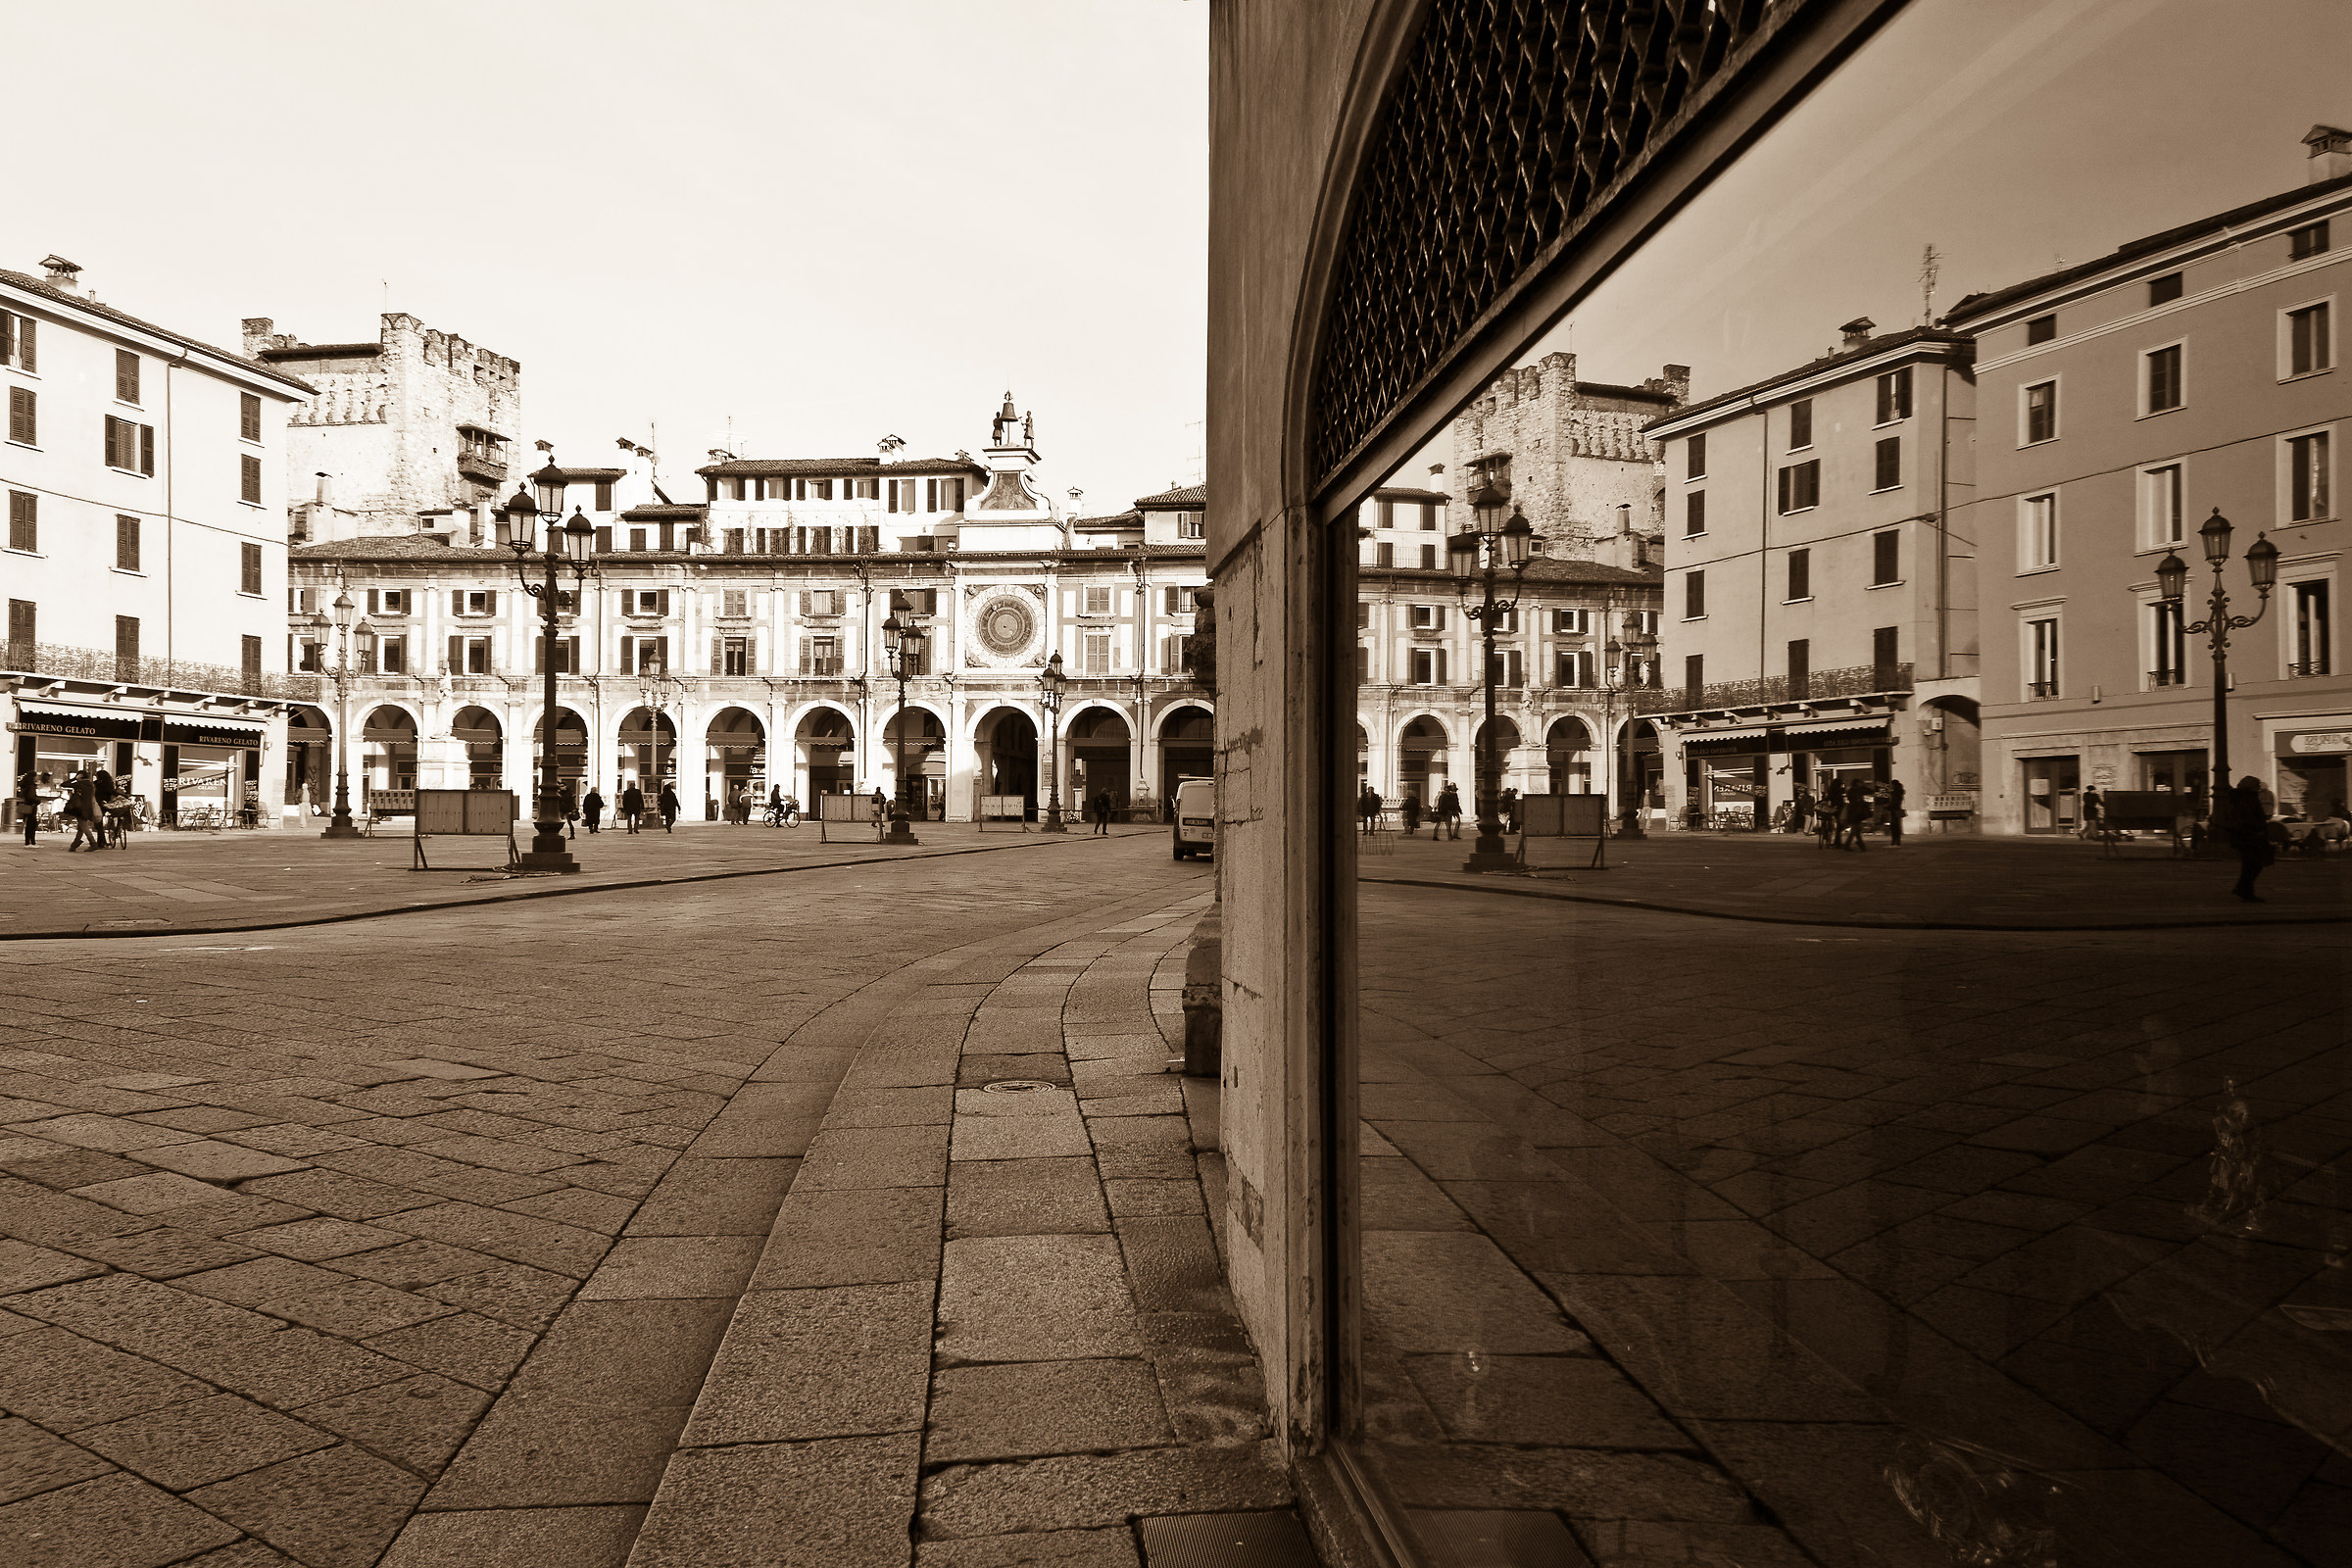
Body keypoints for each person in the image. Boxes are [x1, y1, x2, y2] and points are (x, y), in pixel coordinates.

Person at [2222, 775, 2273, 902]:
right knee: (2254, 864)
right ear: (2251, 787)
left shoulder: (2238, 797)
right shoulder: (2249, 798)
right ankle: (2243, 889)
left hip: (2243, 836)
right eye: (2257, 785)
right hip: (2250, 836)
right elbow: (2250, 818)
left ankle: (2245, 890)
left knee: (2249, 864)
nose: (2259, 787)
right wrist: (2259, 830)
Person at [66, 768, 101, 852]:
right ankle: (74, 845)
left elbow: (64, 784)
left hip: (80, 808)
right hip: (88, 808)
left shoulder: (80, 784)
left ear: (80, 776)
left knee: (84, 827)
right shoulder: (91, 785)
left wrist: (74, 779)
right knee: (81, 828)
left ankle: (93, 843)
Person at [17, 765, 43, 848]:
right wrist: (38, 800)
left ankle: (28, 841)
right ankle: (31, 842)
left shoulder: (24, 785)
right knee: (32, 825)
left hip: (26, 806)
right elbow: (31, 797)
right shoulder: (31, 786)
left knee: (28, 824)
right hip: (31, 806)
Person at [1818, 778, 1845, 848]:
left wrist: (1821, 802)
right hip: (1838, 809)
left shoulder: (1831, 790)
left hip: (1833, 808)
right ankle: (1837, 842)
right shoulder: (1839, 791)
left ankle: (1827, 835)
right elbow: (1840, 799)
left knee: (1829, 822)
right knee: (1839, 825)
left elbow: (1829, 798)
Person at [1885, 777, 1906, 848]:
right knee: (1896, 826)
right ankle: (1897, 841)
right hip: (1897, 810)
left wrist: (1888, 807)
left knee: (1894, 826)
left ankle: (1894, 841)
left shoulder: (1895, 793)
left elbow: (1894, 802)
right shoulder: (1899, 792)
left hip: (1894, 811)